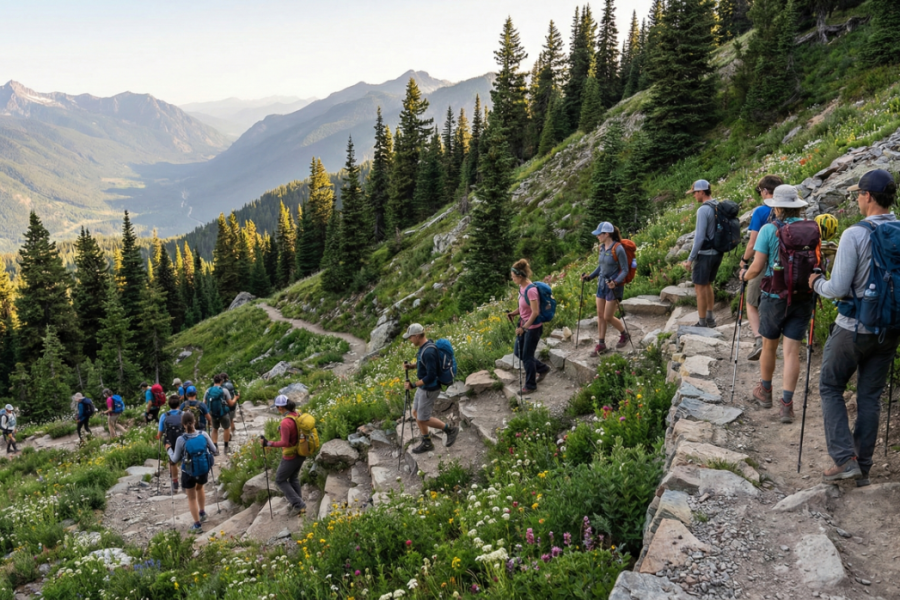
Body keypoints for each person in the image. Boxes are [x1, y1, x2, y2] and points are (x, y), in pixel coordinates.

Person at [810, 168, 900, 485]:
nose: (858, 199)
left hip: (853, 327)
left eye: (859, 194)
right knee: (869, 398)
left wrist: (816, 282)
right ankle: (863, 467)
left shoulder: (855, 234)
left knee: (831, 386)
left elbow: (837, 288)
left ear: (868, 196)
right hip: (890, 328)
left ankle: (845, 459)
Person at [740, 185, 814, 424]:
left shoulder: (768, 230)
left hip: (774, 297)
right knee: (792, 351)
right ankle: (787, 405)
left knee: (769, 346)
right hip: (803, 296)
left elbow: (757, 267)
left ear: (777, 207)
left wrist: (743, 275)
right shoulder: (812, 229)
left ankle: (765, 391)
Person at [740, 175, 784, 361]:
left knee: (751, 301)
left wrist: (743, 261)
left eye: (760, 191)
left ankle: (759, 339)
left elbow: (753, 244)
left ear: (765, 191)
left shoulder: (761, 212)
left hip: (764, 260)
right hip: (787, 261)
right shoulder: (791, 210)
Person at [402, 323, 460, 454]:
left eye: (410, 337)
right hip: (424, 388)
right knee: (416, 413)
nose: (410, 340)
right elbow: (425, 364)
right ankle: (427, 442)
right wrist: (411, 366)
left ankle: (450, 430)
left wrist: (413, 385)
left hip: (429, 389)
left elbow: (431, 375)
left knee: (423, 418)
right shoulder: (426, 347)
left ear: (417, 336)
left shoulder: (428, 352)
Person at [581, 222, 630, 356]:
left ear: (607, 234)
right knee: (600, 314)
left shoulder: (618, 249)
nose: (597, 236)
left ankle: (624, 334)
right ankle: (601, 344)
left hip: (613, 287)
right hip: (601, 285)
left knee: (608, 316)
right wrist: (590, 277)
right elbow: (601, 267)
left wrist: (616, 282)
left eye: (599, 234)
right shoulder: (602, 247)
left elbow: (625, 270)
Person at [166, 411, 217, 534]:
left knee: (191, 498)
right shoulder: (203, 434)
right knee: (200, 488)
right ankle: (202, 513)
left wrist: (168, 450)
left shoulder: (180, 439)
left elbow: (174, 459)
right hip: (203, 469)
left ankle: (197, 525)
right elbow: (214, 449)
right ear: (194, 422)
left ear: (183, 424)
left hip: (188, 472)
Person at [682, 179, 723, 328]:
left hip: (705, 253)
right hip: (718, 252)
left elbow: (699, 237)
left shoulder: (703, 210)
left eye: (694, 193)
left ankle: (702, 321)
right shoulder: (718, 205)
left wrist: (690, 259)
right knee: (707, 284)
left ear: (701, 192)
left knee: (699, 287)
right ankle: (710, 318)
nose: (694, 196)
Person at [508, 259, 553, 387]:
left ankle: (530, 385)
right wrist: (513, 313)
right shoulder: (521, 287)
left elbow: (535, 312)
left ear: (520, 276)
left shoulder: (531, 290)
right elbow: (523, 307)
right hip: (523, 323)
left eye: (513, 277)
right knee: (518, 352)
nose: (512, 279)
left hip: (532, 328)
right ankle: (542, 368)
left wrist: (524, 328)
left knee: (527, 356)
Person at [260, 395, 307, 517]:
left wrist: (268, 443)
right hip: (302, 451)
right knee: (293, 478)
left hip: (291, 455)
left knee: (280, 480)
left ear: (280, 407)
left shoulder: (286, 422)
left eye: (276, 406)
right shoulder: (297, 415)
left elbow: (285, 442)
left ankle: (299, 504)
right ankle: (298, 503)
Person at [158, 395, 184, 493]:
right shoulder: (184, 414)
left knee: (173, 462)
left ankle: (175, 483)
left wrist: (158, 438)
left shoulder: (164, 416)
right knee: (185, 460)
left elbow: (160, 433)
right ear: (179, 404)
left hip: (170, 441)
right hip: (183, 440)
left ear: (169, 404)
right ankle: (186, 481)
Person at [205, 375, 235, 452]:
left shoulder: (208, 390)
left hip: (213, 414)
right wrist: (236, 398)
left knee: (214, 429)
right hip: (223, 413)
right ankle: (226, 447)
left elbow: (204, 403)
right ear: (221, 381)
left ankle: (215, 447)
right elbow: (230, 404)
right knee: (226, 428)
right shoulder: (224, 390)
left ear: (213, 381)